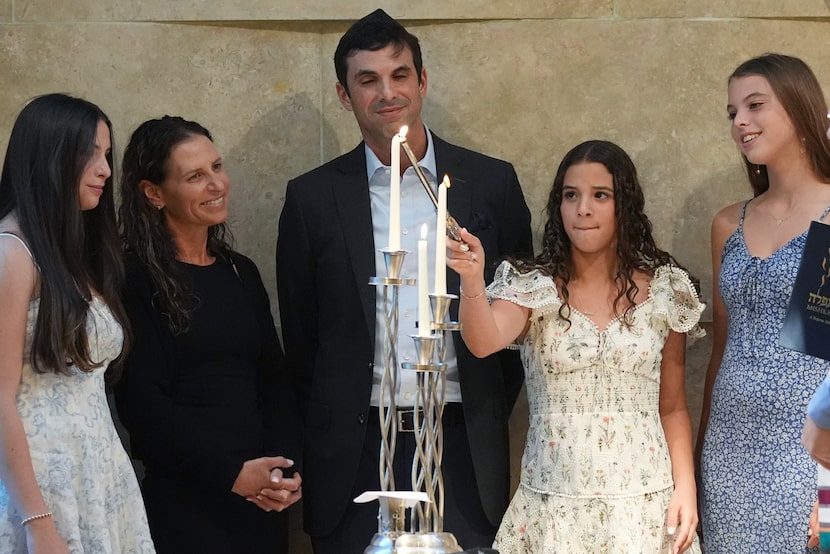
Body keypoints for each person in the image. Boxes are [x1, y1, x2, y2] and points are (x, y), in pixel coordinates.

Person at [276, 9, 532, 552]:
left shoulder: (490, 183)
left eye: (398, 75)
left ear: (422, 81)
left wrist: (477, 409)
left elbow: (517, 326)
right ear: (344, 96)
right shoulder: (312, 199)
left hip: (463, 441)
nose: (386, 92)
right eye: (367, 80)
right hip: (355, 447)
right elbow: (301, 339)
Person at [447, 139, 703, 553]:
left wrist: (685, 489)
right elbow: (482, 343)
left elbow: (672, 406)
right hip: (552, 510)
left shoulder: (665, 290)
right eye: (571, 195)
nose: (583, 208)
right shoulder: (533, 287)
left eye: (600, 195)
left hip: (644, 509)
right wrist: (472, 279)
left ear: (625, 205)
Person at [115, 116, 302, 553]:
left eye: (217, 167)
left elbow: (274, 381)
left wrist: (284, 472)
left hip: (261, 499)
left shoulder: (240, 271)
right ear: (153, 193)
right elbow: (142, 403)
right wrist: (232, 474)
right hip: (186, 502)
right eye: (196, 176)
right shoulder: (132, 277)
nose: (217, 184)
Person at [0, 93, 155, 552]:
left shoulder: (69, 254)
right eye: (91, 153)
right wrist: (37, 521)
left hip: (98, 471)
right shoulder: (12, 252)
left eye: (106, 154)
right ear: (51, 155)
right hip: (42, 482)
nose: (106, 169)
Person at [697, 53, 830, 553]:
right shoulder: (728, 223)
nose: (741, 123)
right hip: (728, 454)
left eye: (755, 105)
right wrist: (699, 450)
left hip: (810, 452)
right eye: (733, 113)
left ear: (799, 109)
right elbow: (721, 348)